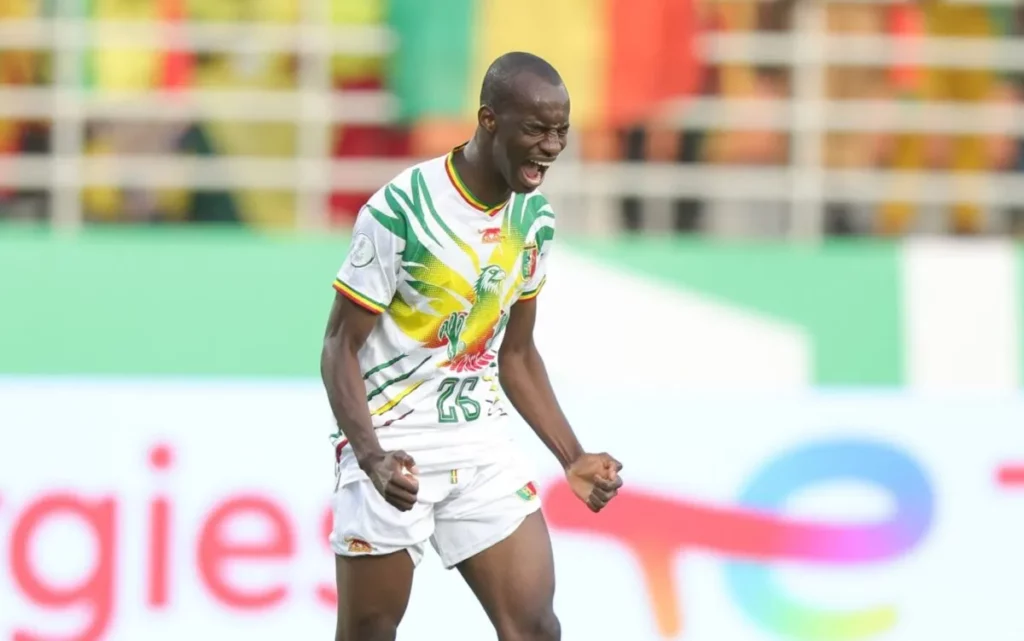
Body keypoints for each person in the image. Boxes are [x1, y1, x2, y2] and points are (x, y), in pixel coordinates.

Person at [320, 51, 624, 641]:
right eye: (535, 129)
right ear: (489, 120)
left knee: (535, 627)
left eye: (560, 131)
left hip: (478, 442)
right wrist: (371, 455)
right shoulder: (401, 210)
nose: (550, 147)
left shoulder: (533, 220)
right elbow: (337, 349)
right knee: (369, 631)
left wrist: (572, 456)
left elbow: (518, 355)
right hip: (394, 445)